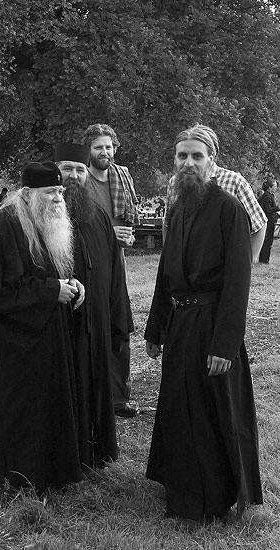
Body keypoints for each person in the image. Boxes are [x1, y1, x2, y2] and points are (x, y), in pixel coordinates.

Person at [144, 133, 263, 521]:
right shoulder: (178, 206)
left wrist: (225, 345)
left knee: (214, 412)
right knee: (179, 406)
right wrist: (155, 328)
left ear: (212, 160)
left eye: (197, 156)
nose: (188, 163)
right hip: (181, 324)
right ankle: (181, 487)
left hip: (212, 324)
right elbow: (166, 271)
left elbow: (238, 281)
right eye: (182, 156)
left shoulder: (229, 208)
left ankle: (215, 496)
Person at [0, 161, 86, 494]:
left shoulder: (42, 219)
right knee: (23, 410)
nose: (58, 198)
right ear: (26, 194)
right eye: (50, 192)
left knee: (50, 406)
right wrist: (52, 291)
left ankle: (51, 473)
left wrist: (69, 283)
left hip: (48, 337)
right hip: (18, 344)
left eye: (60, 191)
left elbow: (45, 271)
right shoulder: (4, 226)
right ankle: (19, 478)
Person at [54, 142, 131, 468]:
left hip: (96, 320)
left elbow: (115, 271)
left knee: (97, 386)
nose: (74, 175)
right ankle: (68, 456)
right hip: (61, 324)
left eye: (80, 170)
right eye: (67, 168)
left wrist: (118, 319)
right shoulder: (43, 214)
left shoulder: (98, 215)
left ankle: (97, 452)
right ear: (56, 171)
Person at [82, 123, 139, 418]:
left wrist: (127, 237)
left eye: (108, 147)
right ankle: (91, 395)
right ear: (88, 150)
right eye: (98, 147)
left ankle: (118, 398)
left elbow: (128, 220)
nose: (104, 152)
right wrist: (108, 234)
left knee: (120, 328)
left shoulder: (123, 177)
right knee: (93, 329)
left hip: (118, 264)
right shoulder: (80, 181)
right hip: (90, 265)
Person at [165, 124, 267, 262]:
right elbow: (168, 224)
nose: (190, 162)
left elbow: (259, 223)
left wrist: (249, 260)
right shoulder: (176, 182)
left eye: (197, 155)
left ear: (212, 155)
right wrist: (169, 258)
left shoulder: (234, 181)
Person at [258, 176, 280, 264]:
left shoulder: (270, 196)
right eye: (274, 186)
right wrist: (278, 208)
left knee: (269, 240)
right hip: (268, 221)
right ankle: (264, 260)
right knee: (267, 240)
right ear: (269, 187)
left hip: (271, 220)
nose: (276, 188)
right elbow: (268, 210)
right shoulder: (267, 196)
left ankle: (265, 259)